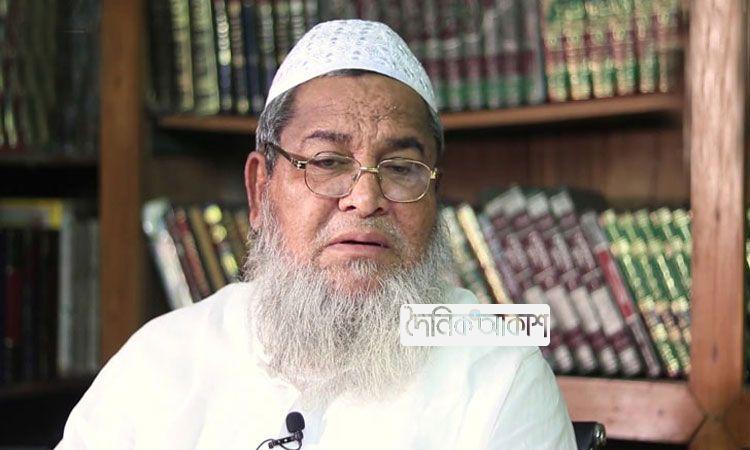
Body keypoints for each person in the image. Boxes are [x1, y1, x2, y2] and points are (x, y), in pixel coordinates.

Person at [56, 20, 577, 449]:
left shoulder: (498, 373)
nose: (365, 199)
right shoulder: (161, 361)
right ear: (261, 190)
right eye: (327, 162)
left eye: (401, 168)